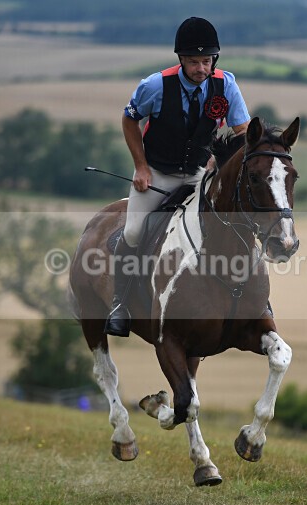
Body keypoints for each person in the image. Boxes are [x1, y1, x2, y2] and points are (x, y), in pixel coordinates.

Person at [105, 16, 251, 337]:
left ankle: (255, 300)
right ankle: (120, 302)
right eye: (194, 62)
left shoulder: (225, 84)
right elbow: (130, 122)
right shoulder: (155, 86)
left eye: (206, 61)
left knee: (235, 224)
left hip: (201, 175)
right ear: (181, 60)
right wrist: (141, 167)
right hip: (157, 173)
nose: (201, 68)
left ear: (215, 59)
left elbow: (242, 131)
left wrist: (223, 160)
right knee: (133, 231)